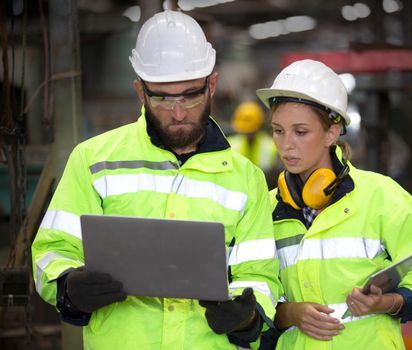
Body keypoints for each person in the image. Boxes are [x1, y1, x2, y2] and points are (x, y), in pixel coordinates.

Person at [31, 10, 280, 350]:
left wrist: (247, 319)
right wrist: (68, 286)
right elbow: (53, 250)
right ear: (140, 92)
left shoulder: (245, 178)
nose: (178, 113)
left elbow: (259, 274)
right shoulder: (93, 160)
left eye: (190, 95)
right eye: (163, 97)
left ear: (212, 86)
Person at [256, 59, 412, 349]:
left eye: (301, 131)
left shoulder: (383, 197)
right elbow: (251, 293)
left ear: (332, 132)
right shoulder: (264, 210)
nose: (286, 145)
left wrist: (387, 302)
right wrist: (288, 313)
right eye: (278, 130)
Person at [227, 101, 280, 188]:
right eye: (245, 130)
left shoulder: (271, 146)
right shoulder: (229, 145)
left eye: (251, 130)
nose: (248, 133)